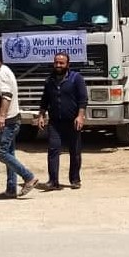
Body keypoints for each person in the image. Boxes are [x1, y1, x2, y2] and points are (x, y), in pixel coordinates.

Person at [0, 48, 38, 198]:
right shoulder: (3, 71)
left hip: (9, 121)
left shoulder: (1, 74)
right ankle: (11, 188)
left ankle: (28, 177)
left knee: (1, 153)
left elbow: (6, 97)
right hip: (10, 119)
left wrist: (1, 117)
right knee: (10, 152)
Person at [35, 52, 88, 190]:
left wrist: (80, 116)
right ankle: (53, 181)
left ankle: (75, 179)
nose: (58, 65)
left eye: (61, 63)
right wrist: (41, 115)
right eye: (56, 63)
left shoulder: (76, 79)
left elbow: (83, 99)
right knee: (53, 150)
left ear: (67, 65)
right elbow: (44, 101)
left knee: (75, 151)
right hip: (55, 123)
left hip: (72, 121)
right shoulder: (49, 81)